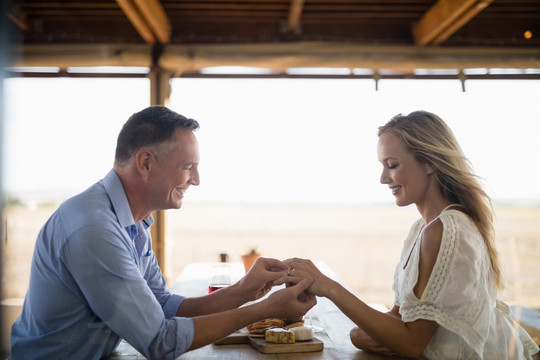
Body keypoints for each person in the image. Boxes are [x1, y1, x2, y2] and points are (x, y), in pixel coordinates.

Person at [10, 106, 316, 360]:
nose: (196, 179)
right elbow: (161, 340)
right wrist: (264, 309)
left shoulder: (134, 222)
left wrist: (246, 289)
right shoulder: (95, 230)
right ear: (145, 163)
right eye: (188, 167)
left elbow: (167, 308)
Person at [285, 111, 539, 359]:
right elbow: (400, 318)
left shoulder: (446, 230)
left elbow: (412, 343)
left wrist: (328, 287)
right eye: (383, 166)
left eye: (392, 165)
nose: (384, 178)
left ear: (429, 162)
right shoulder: (422, 228)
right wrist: (360, 334)